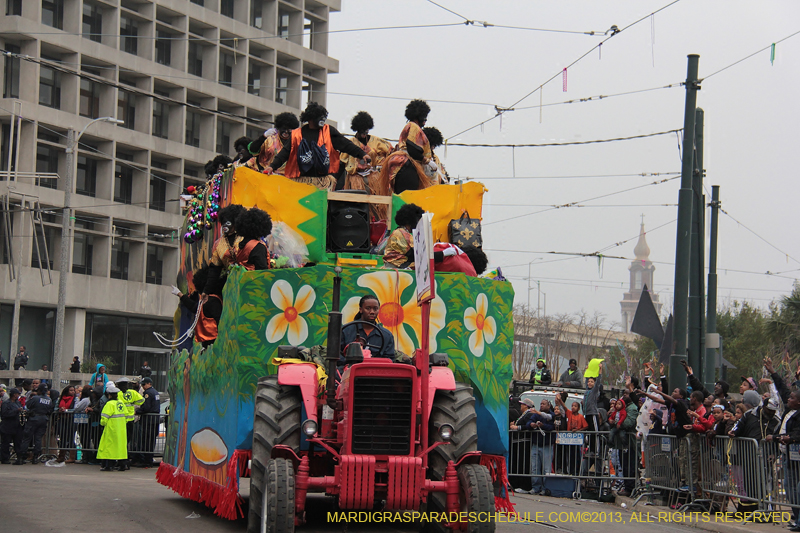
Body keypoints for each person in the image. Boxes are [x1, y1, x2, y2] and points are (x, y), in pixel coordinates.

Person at [264, 101, 371, 191]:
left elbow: (346, 145)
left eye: (322, 117)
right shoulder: (297, 134)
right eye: (318, 117)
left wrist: (362, 154)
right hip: (299, 181)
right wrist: (271, 167)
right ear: (310, 119)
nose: (321, 120)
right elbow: (284, 153)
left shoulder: (329, 131)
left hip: (322, 182)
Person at [379, 99, 437, 194]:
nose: (425, 121)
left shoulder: (409, 126)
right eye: (424, 117)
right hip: (407, 167)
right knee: (409, 198)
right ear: (419, 115)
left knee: (401, 197)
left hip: (400, 167)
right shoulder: (413, 126)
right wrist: (425, 160)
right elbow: (412, 149)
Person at [340, 111, 394, 195]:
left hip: (373, 178)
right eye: (362, 131)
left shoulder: (377, 142)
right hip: (355, 179)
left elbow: (390, 153)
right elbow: (341, 163)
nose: (364, 133)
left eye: (366, 130)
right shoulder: (350, 144)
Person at [771, 391, 800, 531]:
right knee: (790, 488)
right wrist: (778, 438)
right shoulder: (791, 413)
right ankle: (797, 518)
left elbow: (796, 434)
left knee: (797, 489)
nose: (788, 399)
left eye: (792, 398)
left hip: (797, 460)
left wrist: (790, 438)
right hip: (790, 457)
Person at [204, 203, 246, 296]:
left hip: (249, 281)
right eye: (223, 223)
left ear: (236, 222)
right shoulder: (218, 244)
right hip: (231, 287)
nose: (224, 226)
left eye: (228, 223)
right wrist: (206, 291)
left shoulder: (246, 237)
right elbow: (214, 270)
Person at [340, 295, 395, 362]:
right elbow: (337, 355)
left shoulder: (387, 335)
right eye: (368, 308)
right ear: (361, 310)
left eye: (375, 309)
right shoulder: (346, 330)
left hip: (375, 370)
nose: (372, 312)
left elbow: (389, 359)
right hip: (350, 369)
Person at [521, 399, 556, 495]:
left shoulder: (552, 415)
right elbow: (528, 423)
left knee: (546, 469)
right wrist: (531, 425)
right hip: (536, 445)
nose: (541, 405)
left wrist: (543, 425)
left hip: (547, 445)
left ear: (549, 406)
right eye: (540, 404)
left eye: (544, 404)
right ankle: (535, 487)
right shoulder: (535, 415)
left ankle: (545, 488)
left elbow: (552, 427)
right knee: (535, 468)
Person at [19, 384, 54, 464]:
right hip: (43, 419)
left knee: (27, 438)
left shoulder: (35, 398)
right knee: (38, 439)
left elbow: (28, 405)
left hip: (34, 419)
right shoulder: (49, 399)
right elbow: (49, 409)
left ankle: (21, 457)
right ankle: (35, 457)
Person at [97, 384, 127, 472]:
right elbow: (126, 415)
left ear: (109, 395)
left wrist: (102, 424)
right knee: (121, 448)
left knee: (110, 448)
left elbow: (104, 417)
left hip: (111, 428)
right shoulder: (121, 403)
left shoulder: (109, 404)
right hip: (121, 429)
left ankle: (108, 466)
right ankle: (122, 465)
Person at [131, 377, 160, 468]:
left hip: (148, 420)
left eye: (144, 384)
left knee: (146, 441)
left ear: (149, 384)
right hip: (155, 420)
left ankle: (146, 461)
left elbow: (146, 407)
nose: (142, 387)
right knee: (151, 441)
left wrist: (137, 411)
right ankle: (149, 460)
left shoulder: (148, 393)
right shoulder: (155, 392)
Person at [116, 377, 144, 471]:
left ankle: (123, 461)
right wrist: (133, 403)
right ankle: (126, 461)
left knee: (122, 442)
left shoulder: (118, 394)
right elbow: (141, 400)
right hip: (131, 420)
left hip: (121, 420)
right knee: (127, 441)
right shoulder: (132, 393)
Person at [48, 385, 77, 466]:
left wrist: (67, 410)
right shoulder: (60, 399)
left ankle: (72, 457)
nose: (72, 392)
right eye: (71, 390)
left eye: (73, 390)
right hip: (62, 419)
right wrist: (59, 410)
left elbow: (76, 408)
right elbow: (55, 408)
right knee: (62, 438)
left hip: (71, 420)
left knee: (71, 437)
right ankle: (61, 456)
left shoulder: (75, 399)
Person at [0, 388, 24, 464]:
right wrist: (16, 411)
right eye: (17, 394)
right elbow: (5, 414)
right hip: (7, 425)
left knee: (18, 442)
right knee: (6, 443)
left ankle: (19, 458)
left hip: (17, 425)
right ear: (14, 395)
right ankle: (4, 458)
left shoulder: (17, 403)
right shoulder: (6, 403)